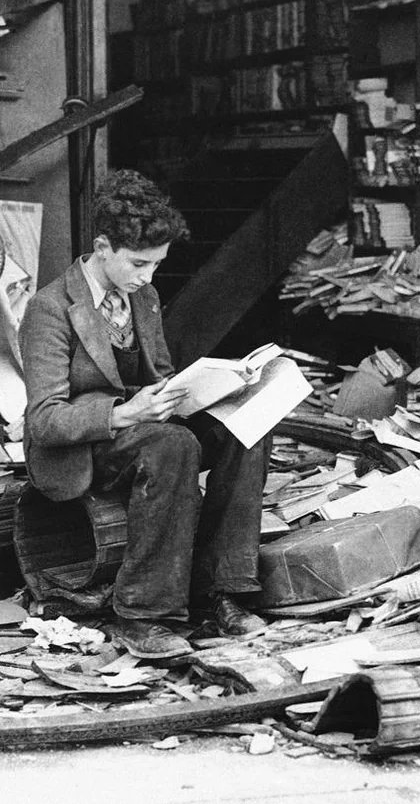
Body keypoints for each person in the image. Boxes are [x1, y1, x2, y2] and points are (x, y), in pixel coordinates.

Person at [19, 169, 270, 658]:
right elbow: (44, 420)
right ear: (102, 246)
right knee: (173, 444)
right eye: (138, 263)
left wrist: (205, 391)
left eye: (156, 265)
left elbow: (159, 372)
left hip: (142, 420)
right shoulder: (49, 308)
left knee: (246, 429)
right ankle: (143, 615)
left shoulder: (143, 296)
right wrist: (124, 414)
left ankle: (222, 591)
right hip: (85, 441)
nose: (147, 277)